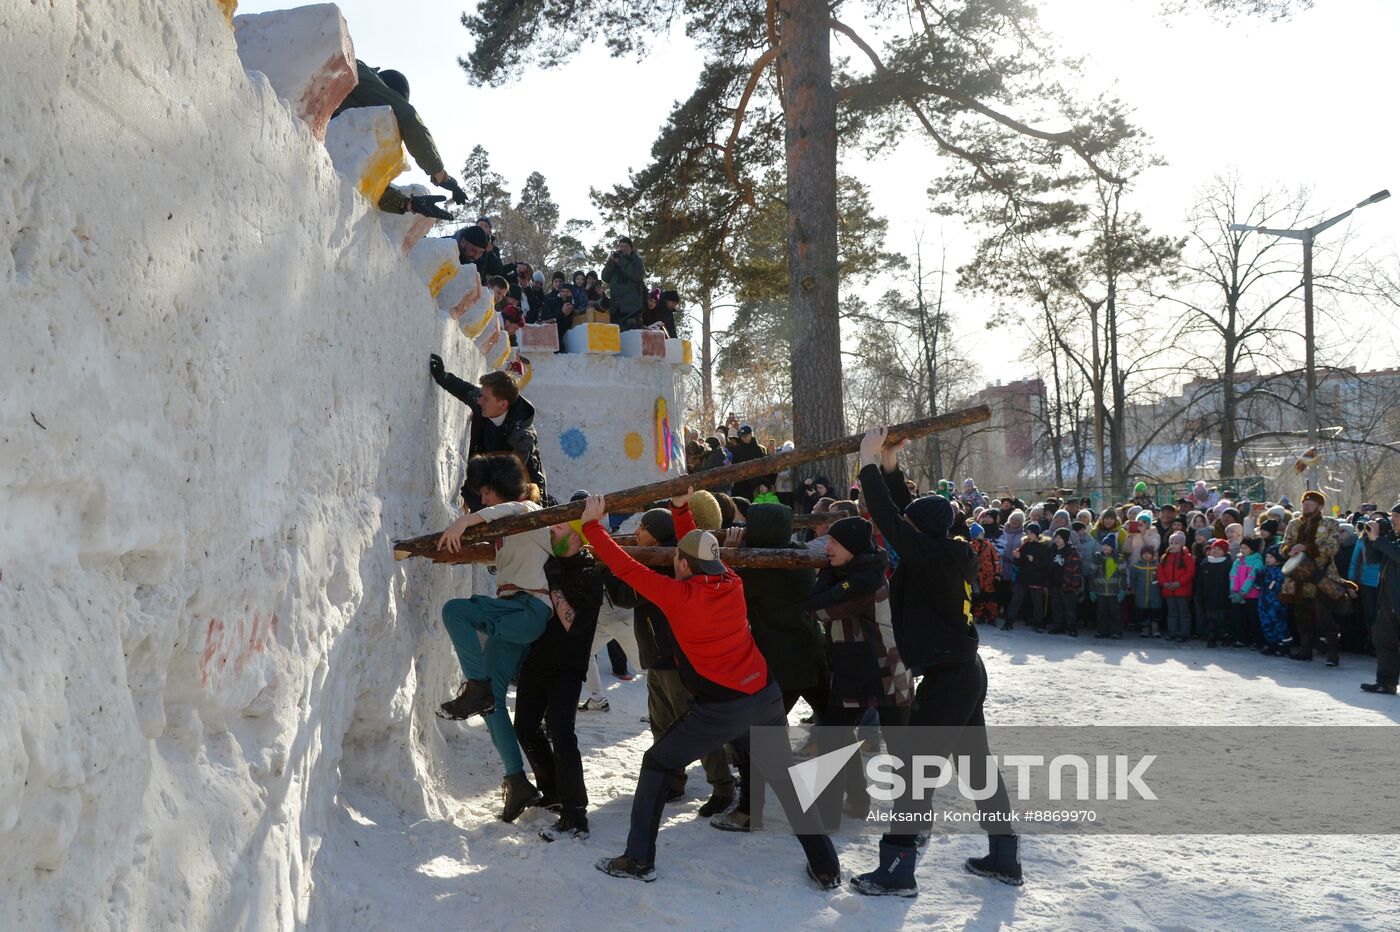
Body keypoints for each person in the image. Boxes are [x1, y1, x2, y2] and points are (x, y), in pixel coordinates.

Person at [578, 489, 841, 886]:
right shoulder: (731, 580)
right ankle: (826, 866)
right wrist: (682, 511)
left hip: (723, 707)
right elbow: (696, 548)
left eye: (678, 559)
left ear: (681, 564)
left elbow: (625, 568)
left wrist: (591, 527)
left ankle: (638, 859)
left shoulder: (678, 595)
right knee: (785, 778)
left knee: (657, 764)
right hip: (765, 695)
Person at [850, 428, 1021, 896]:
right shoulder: (949, 547)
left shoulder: (929, 555)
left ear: (920, 533)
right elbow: (912, 513)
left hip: (951, 679)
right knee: (976, 767)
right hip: (963, 673)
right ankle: (1005, 855)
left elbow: (890, 517)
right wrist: (890, 467)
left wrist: (867, 463)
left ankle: (897, 870)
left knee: (911, 768)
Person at [435, 454, 554, 822]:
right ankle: (518, 782)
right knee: (493, 706)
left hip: (527, 609)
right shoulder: (509, 523)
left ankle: (476, 686)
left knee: (456, 611)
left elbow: (505, 512)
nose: (482, 499)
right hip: (512, 613)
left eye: (485, 492)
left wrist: (465, 519)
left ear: (499, 489)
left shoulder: (527, 510)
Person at [711, 505, 826, 832]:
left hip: (780, 666)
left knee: (754, 738)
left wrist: (731, 556)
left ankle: (748, 810)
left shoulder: (765, 568)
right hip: (810, 655)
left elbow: (730, 595)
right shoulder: (797, 553)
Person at [626, 508, 737, 815]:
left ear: (657, 534)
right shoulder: (653, 559)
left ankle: (723, 786)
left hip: (676, 663)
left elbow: (626, 596)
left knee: (695, 727)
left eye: (642, 528)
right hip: (656, 659)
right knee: (661, 725)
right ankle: (672, 779)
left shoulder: (667, 567)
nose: (636, 533)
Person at [807, 515, 912, 827]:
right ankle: (844, 807)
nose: (827, 546)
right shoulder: (852, 573)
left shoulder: (865, 580)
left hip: (886, 672)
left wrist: (826, 572)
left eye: (834, 542)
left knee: (900, 750)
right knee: (832, 740)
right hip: (854, 670)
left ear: (852, 548)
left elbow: (817, 608)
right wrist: (832, 569)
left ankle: (913, 818)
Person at [514, 517, 605, 841]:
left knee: (561, 733)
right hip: (537, 661)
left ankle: (575, 813)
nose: (552, 532)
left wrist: (554, 588)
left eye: (560, 528)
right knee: (524, 726)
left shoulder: (589, 575)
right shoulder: (548, 561)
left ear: (577, 536)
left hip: (567, 667)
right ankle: (551, 790)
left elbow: (574, 626)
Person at [333, 61, 466, 214]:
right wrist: (438, 172)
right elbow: (407, 115)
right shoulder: (358, 73)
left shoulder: (351, 123)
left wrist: (408, 204)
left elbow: (360, 179)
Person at [429, 358, 547, 508]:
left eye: (485, 398)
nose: (479, 401)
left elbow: (509, 478)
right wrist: (442, 376)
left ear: (502, 404)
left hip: (519, 500)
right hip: (487, 487)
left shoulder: (522, 435)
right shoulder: (486, 404)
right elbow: (465, 390)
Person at [1281, 490, 1346, 665]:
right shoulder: (1294, 524)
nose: (1306, 505)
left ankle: (1332, 654)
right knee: (1302, 615)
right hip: (1297, 579)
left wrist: (1307, 548)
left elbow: (1332, 548)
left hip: (1321, 576)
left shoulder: (1330, 523)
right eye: (1304, 503)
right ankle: (1305, 650)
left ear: (1319, 506)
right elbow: (1284, 546)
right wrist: (1290, 549)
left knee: (1324, 616)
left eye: (1310, 503)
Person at [1360, 515, 1400, 694]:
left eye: (1397, 516)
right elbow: (1372, 560)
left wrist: (1379, 540)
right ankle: (1386, 682)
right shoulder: (1392, 538)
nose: (1393, 520)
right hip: (1388, 597)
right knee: (1383, 637)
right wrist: (1369, 539)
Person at [1003, 522, 1051, 632]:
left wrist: (1033, 561)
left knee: (1037, 603)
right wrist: (1017, 557)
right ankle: (1009, 622)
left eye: (1030, 532)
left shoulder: (1043, 547)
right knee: (1015, 600)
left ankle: (1039, 623)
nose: (1028, 534)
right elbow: (1018, 563)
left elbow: (1045, 565)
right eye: (1028, 532)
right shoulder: (1025, 544)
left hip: (1036, 579)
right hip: (1023, 577)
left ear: (1036, 533)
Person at [1194, 538, 1233, 648]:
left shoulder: (1227, 563)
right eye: (1214, 548)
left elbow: (1229, 581)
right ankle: (1211, 636)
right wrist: (1200, 594)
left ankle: (1225, 636)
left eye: (1219, 549)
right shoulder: (1205, 563)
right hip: (1208, 595)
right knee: (1210, 618)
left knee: (1223, 617)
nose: (1215, 551)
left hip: (1222, 595)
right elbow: (1200, 580)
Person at [601, 237, 647, 328]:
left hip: (632, 308)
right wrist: (611, 263)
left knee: (632, 336)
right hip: (616, 307)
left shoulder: (636, 260)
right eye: (621, 246)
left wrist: (621, 261)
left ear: (631, 248)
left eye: (626, 246)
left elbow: (637, 275)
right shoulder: (614, 262)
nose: (623, 248)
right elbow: (605, 277)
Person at [1158, 532, 1196, 643]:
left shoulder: (1187, 557)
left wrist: (1179, 583)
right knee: (1172, 613)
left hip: (1182, 590)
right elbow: (1160, 572)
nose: (1173, 545)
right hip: (1168, 590)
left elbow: (1190, 572)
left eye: (1176, 543)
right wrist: (1164, 583)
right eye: (1171, 543)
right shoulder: (1164, 557)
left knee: (1184, 613)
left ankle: (1184, 634)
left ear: (1182, 544)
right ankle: (1172, 633)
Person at [1229, 538, 1264, 648]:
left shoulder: (1257, 561)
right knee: (1240, 618)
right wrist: (1234, 590)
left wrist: (1243, 591)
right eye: (1241, 548)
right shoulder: (1238, 561)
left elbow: (1252, 577)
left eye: (1245, 548)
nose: (1242, 550)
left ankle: (1256, 640)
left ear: (1251, 549)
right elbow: (1233, 576)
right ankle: (1242, 639)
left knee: (1253, 618)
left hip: (1251, 595)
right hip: (1238, 594)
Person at [1089, 535, 1127, 639]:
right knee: (1102, 613)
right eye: (1104, 545)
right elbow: (1092, 575)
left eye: (1108, 545)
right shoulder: (1097, 557)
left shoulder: (1119, 559)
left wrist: (1123, 589)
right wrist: (1092, 590)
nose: (1105, 547)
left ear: (1113, 547)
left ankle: (1116, 632)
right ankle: (1102, 631)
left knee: (1115, 613)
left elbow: (1123, 575)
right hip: (1100, 591)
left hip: (1114, 591)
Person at [1048, 527, 1083, 636]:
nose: (1058, 540)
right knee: (1056, 606)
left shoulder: (1071, 551)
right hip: (1055, 582)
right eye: (1056, 537)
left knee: (1069, 608)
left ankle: (1071, 627)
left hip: (1068, 584)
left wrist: (1074, 584)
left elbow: (1076, 569)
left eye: (1060, 538)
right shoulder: (1051, 550)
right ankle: (1058, 626)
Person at [1257, 546, 1291, 655]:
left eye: (1271, 557)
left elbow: (1276, 585)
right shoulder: (1265, 569)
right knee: (1266, 623)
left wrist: (1266, 583)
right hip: (1264, 601)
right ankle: (1272, 643)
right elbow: (1258, 585)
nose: (1268, 559)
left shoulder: (1281, 570)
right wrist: (1258, 580)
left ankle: (1283, 645)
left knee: (1278, 623)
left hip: (1276, 602)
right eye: (1267, 557)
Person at [969, 523, 1002, 625]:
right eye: (980, 533)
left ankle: (992, 617)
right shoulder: (971, 546)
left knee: (990, 596)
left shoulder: (988, 545)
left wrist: (997, 574)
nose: (982, 535)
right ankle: (980, 615)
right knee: (980, 597)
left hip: (989, 575)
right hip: (977, 576)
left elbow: (995, 560)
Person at [1127, 545, 1163, 637]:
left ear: (1152, 555)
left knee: (1156, 611)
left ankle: (1155, 630)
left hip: (1155, 594)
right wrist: (1133, 589)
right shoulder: (1136, 566)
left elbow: (1161, 578)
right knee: (1143, 611)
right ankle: (1145, 630)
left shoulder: (1157, 566)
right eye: (1144, 554)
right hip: (1141, 594)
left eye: (1149, 553)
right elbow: (1133, 579)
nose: (1147, 555)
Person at [728, 425, 770, 500]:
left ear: (751, 434)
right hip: (741, 484)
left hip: (755, 483)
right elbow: (734, 464)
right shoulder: (738, 449)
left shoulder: (758, 449)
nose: (743, 438)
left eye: (745, 436)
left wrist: (764, 483)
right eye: (742, 436)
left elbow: (763, 466)